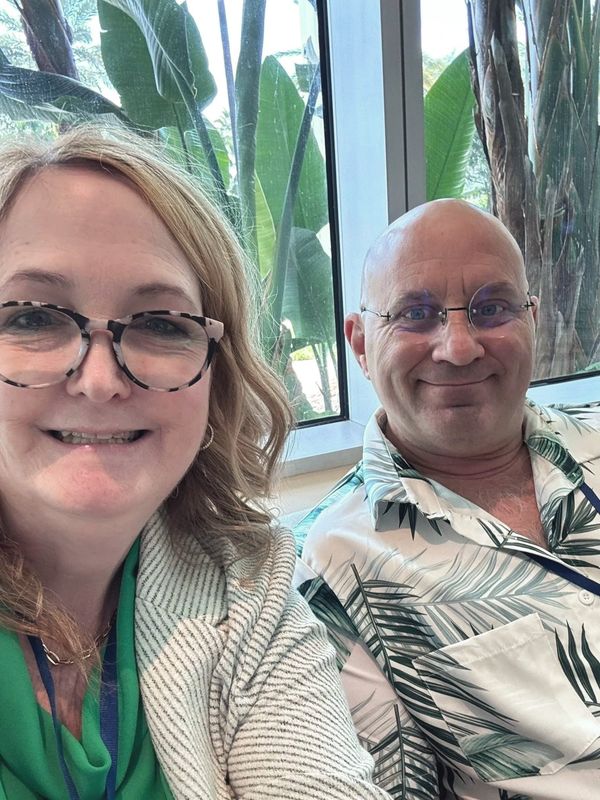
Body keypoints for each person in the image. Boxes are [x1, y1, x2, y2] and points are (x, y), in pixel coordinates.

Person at [0, 125, 392, 800]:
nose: (99, 381)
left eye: (160, 323)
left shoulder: (246, 583)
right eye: (34, 318)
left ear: (220, 375)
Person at [294, 199, 600, 800]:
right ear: (359, 342)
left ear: (532, 320)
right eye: (415, 313)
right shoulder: (331, 567)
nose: (459, 347)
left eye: (491, 309)